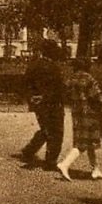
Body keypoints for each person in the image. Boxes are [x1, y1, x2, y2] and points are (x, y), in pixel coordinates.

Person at [57, 57, 102, 181]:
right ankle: (65, 164)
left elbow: (66, 94)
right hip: (90, 114)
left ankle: (95, 169)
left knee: (89, 141)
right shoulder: (89, 79)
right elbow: (97, 97)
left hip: (76, 113)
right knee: (84, 143)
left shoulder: (71, 79)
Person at [17, 39, 65, 170]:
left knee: (46, 129)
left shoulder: (34, 65)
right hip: (53, 103)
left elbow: (25, 83)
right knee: (56, 132)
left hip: (39, 104)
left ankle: (29, 150)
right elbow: (58, 88)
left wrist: (31, 98)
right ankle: (50, 161)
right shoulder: (54, 67)